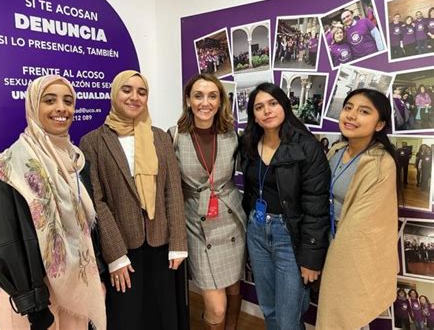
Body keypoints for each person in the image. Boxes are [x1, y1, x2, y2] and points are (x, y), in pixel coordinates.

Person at [0, 75, 106, 330]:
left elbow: (85, 228)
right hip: (34, 301)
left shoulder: (76, 163)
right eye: (50, 100)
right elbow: (5, 244)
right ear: (33, 106)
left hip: (74, 290)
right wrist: (34, 305)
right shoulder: (11, 168)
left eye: (68, 101)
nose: (62, 108)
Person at [79, 70, 188, 330]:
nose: (134, 97)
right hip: (123, 246)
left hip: (162, 244)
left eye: (142, 92)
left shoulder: (160, 137)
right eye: (127, 90)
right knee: (127, 316)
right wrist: (115, 255)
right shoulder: (93, 141)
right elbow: (95, 201)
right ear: (114, 94)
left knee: (163, 314)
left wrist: (178, 243)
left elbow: (172, 191)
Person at [239, 83, 330, 329]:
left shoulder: (306, 146)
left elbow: (316, 202)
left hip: (289, 235)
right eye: (259, 107)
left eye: (273, 103)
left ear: (285, 106)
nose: (267, 111)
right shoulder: (248, 143)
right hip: (256, 231)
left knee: (289, 318)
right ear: (254, 116)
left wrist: (311, 257)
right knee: (268, 309)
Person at [316, 89, 399, 329]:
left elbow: (366, 224)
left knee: (348, 312)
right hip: (327, 239)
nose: (351, 115)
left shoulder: (381, 163)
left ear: (380, 124)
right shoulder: (336, 151)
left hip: (351, 249)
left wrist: (336, 254)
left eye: (364, 111)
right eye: (348, 107)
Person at [170, 73, 247, 330]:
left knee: (234, 284)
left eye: (212, 96)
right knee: (216, 308)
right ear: (188, 100)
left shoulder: (232, 136)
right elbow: (170, 187)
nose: (206, 102)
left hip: (230, 220)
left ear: (220, 100)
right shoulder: (174, 136)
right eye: (199, 95)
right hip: (196, 224)